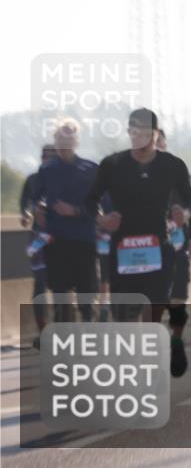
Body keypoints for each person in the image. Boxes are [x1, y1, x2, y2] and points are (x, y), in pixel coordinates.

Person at [85, 108, 191, 376]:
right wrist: (102, 219)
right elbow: (90, 201)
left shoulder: (172, 165)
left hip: (158, 250)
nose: (142, 139)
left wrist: (184, 213)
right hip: (122, 249)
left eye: (148, 134)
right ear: (129, 133)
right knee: (124, 319)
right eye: (136, 133)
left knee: (151, 319)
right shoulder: (112, 164)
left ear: (156, 134)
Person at [32, 120, 99, 324]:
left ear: (77, 141)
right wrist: (37, 210)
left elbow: (99, 207)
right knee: (60, 295)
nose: (64, 142)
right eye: (60, 138)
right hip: (57, 242)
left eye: (69, 138)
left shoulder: (91, 169)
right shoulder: (46, 171)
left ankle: (89, 334)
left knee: (85, 295)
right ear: (55, 140)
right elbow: (36, 198)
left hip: (84, 241)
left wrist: (75, 210)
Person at [156, 127, 191, 370]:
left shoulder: (177, 169)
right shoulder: (130, 171)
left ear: (163, 142)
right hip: (146, 246)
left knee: (176, 299)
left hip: (176, 244)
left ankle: (175, 338)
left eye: (158, 139)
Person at [21, 144, 57, 344]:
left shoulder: (65, 179)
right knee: (40, 284)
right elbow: (24, 201)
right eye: (46, 156)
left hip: (63, 238)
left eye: (53, 156)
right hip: (40, 238)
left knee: (63, 285)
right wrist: (25, 213)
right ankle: (43, 329)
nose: (49, 159)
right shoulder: (33, 180)